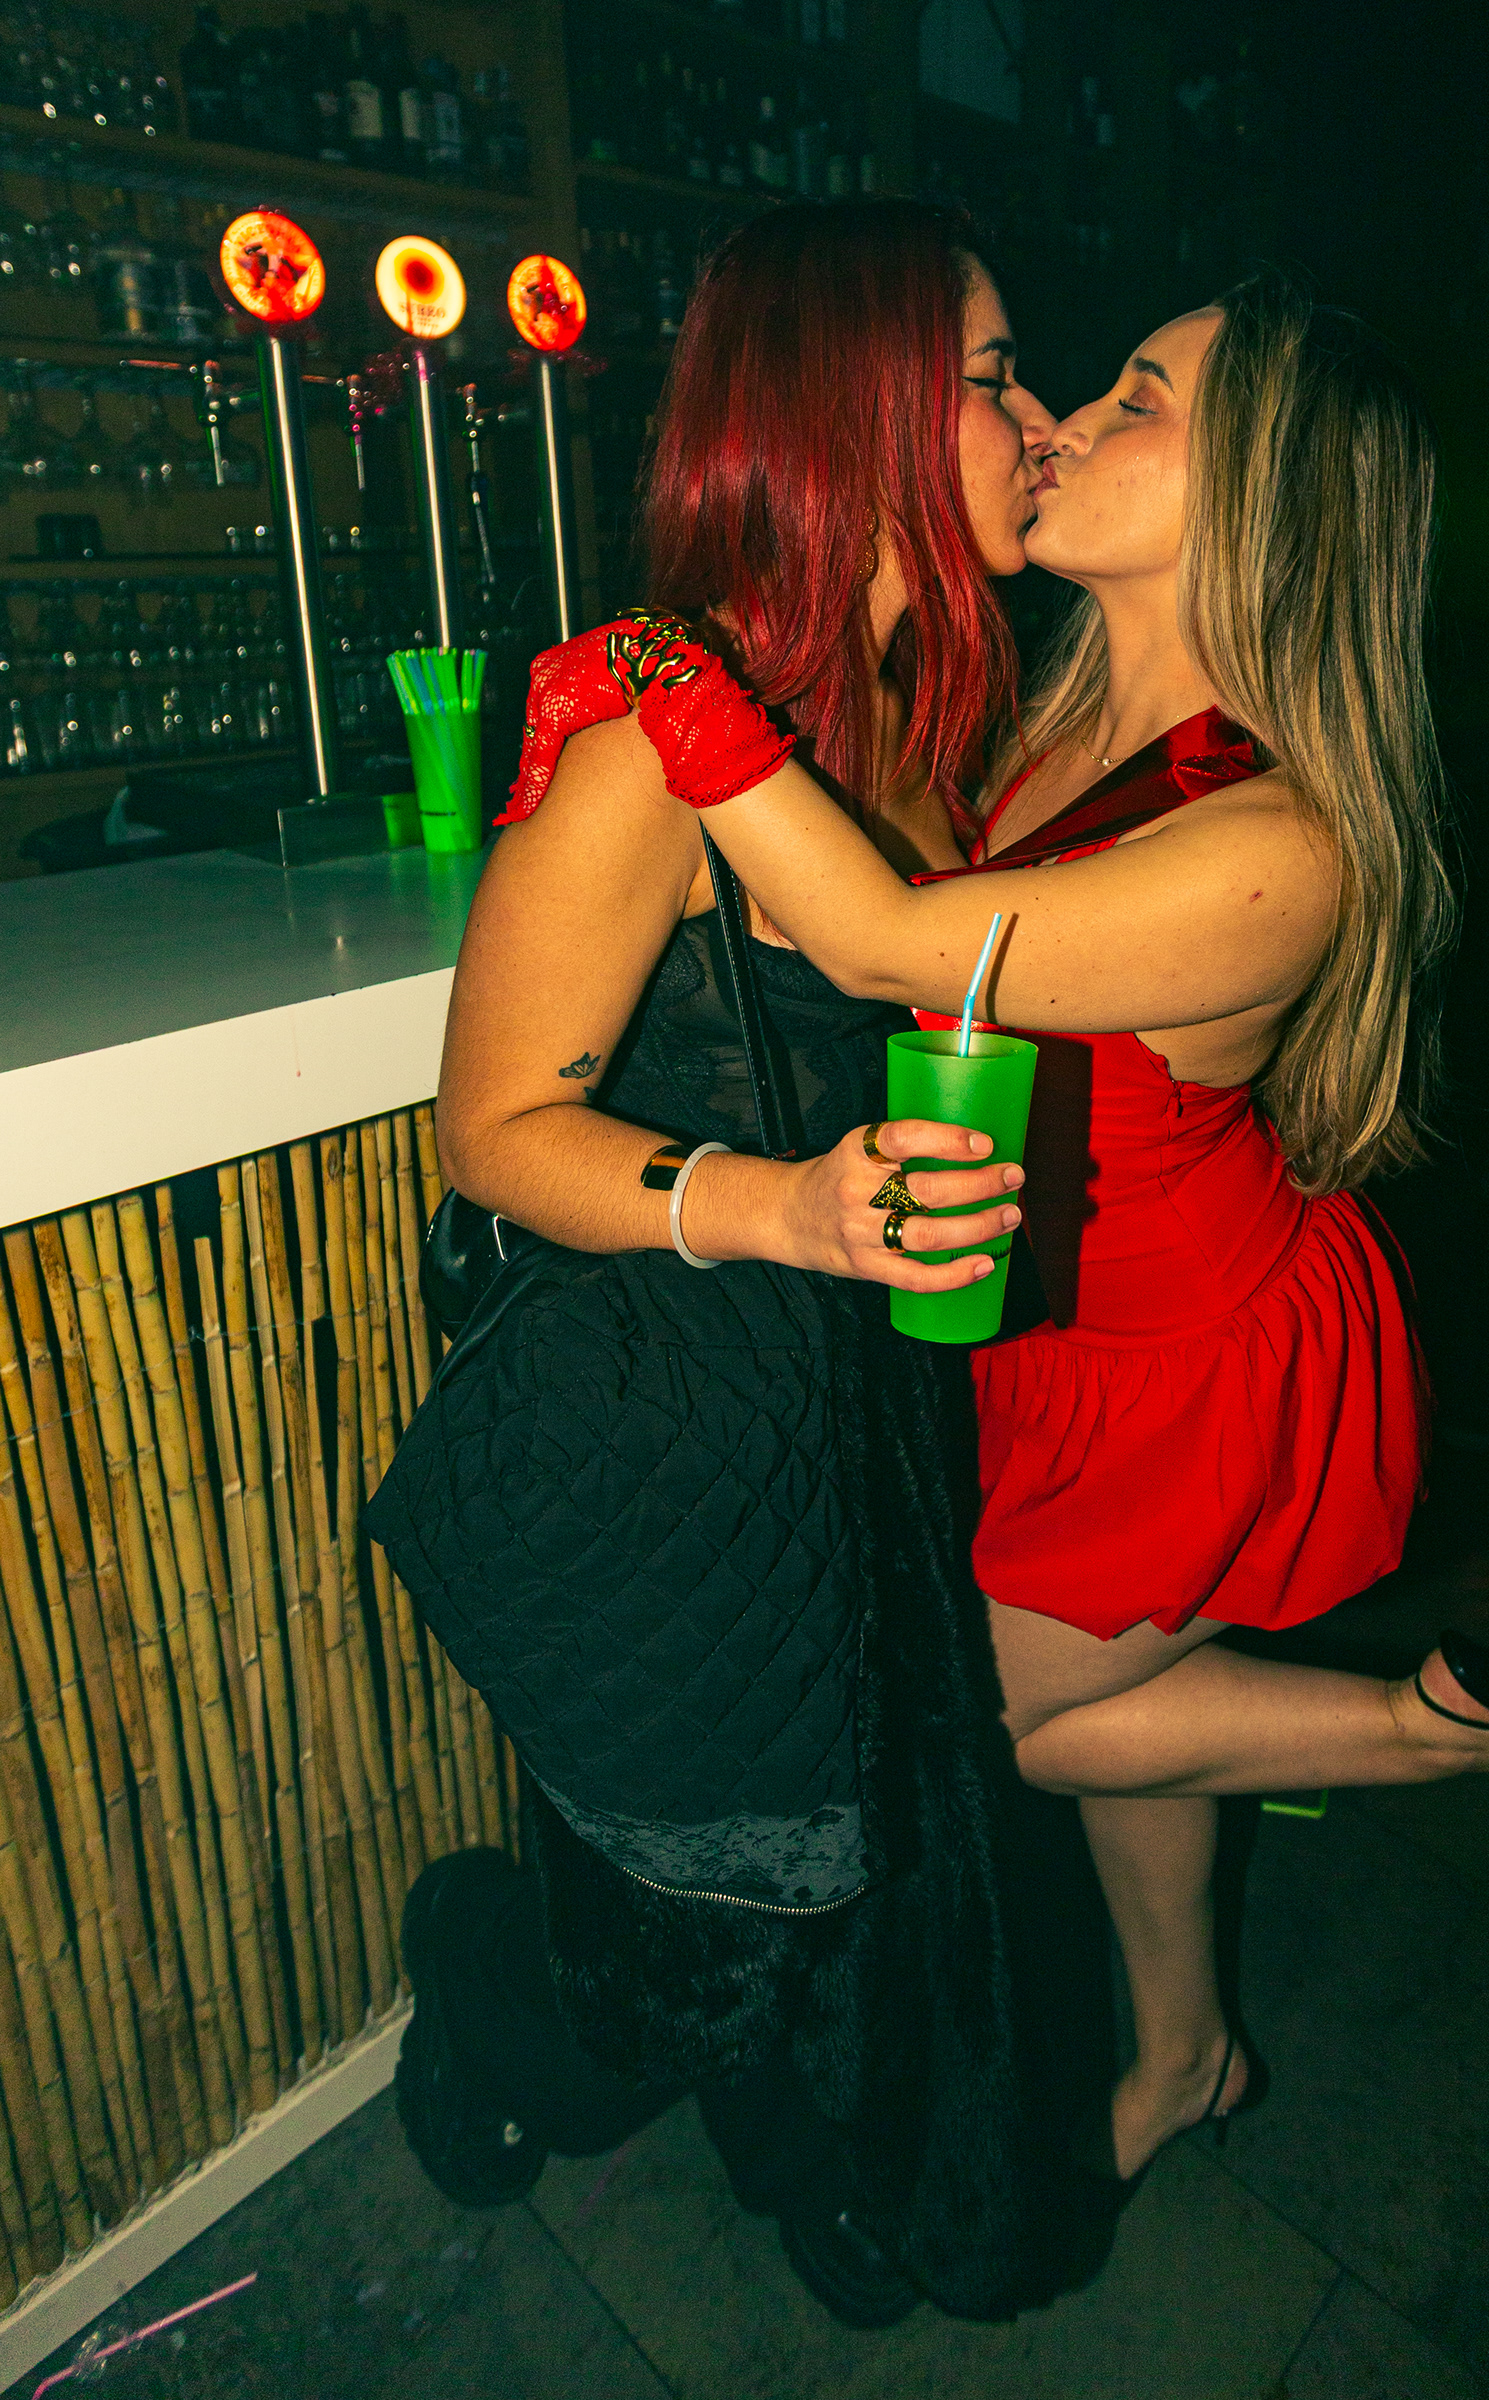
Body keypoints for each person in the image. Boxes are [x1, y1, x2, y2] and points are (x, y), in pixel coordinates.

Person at [514, 272, 1489, 2192]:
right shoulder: (1049, 716)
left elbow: (888, 940)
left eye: (1137, 398)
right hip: (1048, 1316)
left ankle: (1431, 1730)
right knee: (1108, 1690)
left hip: (1190, 1359)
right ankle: (1189, 2050)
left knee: (990, 1723)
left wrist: (657, 677)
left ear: (1266, 495)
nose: (1060, 422)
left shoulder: (1283, 836)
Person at [368, 199, 1076, 2325]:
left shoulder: (918, 722)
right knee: (680, 1940)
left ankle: (814, 2153)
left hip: (862, 1408)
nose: (1037, 420)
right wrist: (776, 1205)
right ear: (860, 414)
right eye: (993, 379)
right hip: (673, 1435)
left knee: (864, 1845)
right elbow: (492, 1131)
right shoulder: (644, 749)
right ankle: (487, 2004)